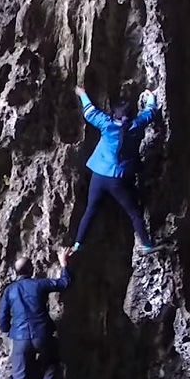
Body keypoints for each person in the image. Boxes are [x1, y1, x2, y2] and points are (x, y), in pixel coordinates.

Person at [72, 85, 158, 254]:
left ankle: (78, 243)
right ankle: (147, 245)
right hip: (117, 178)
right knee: (134, 213)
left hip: (99, 174)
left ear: (113, 115)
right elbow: (151, 112)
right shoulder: (136, 125)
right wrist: (151, 97)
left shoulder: (106, 124)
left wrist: (82, 93)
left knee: (90, 210)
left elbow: (89, 111)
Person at [0, 248, 72, 379]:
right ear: (31, 270)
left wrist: (10, 331)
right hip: (42, 335)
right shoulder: (39, 284)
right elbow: (64, 283)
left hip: (21, 339)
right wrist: (63, 263)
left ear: (16, 273)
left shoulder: (9, 291)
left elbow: (2, 318)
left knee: (19, 374)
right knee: (52, 359)